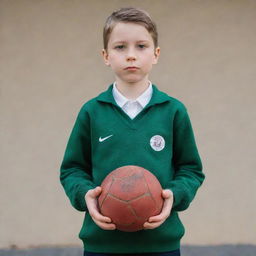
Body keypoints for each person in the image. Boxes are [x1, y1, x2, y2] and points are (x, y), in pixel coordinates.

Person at [60, 7, 205, 256]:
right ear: (106, 56)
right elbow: (72, 169)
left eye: (141, 46)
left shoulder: (173, 111)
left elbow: (191, 170)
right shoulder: (92, 112)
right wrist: (86, 195)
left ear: (156, 54)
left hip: (161, 245)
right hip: (102, 245)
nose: (131, 56)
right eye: (120, 47)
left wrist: (174, 194)